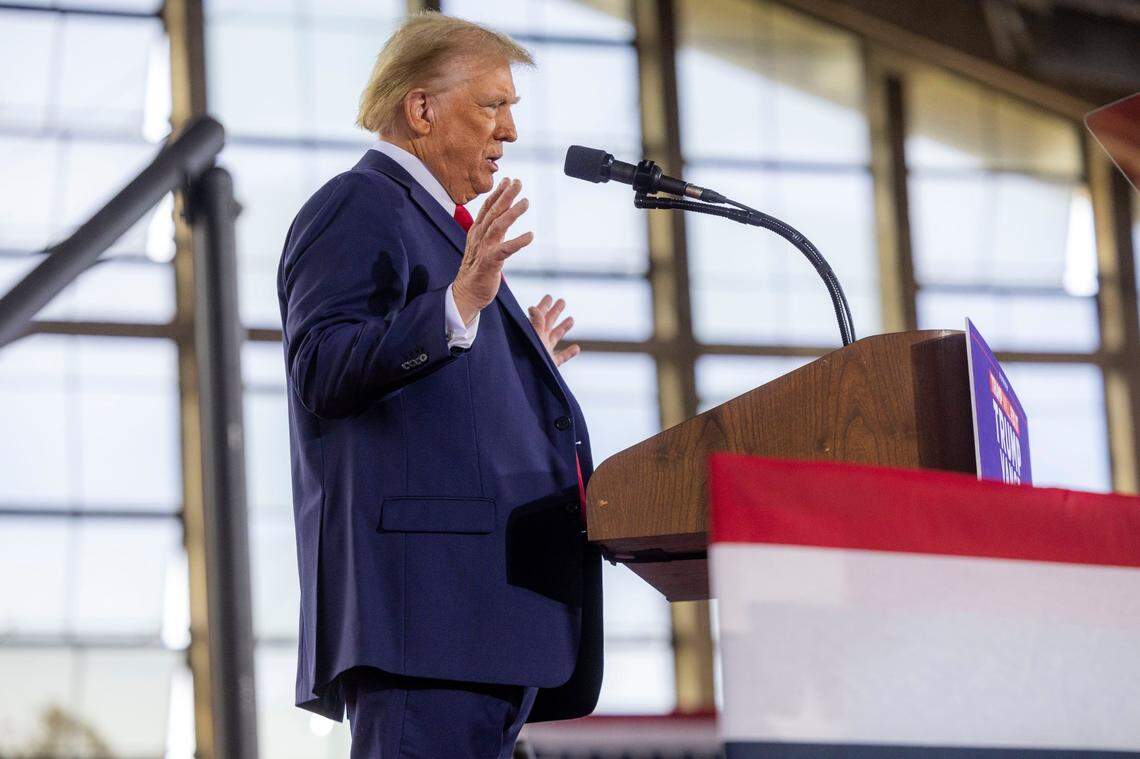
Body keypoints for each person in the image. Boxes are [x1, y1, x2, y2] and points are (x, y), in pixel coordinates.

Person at [276, 11, 602, 758]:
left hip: (479, 624)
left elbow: (430, 382)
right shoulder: (357, 205)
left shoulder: (442, 228)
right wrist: (458, 307)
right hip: (427, 625)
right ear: (421, 108)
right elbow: (323, 368)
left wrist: (517, 367)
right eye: (493, 104)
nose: (510, 130)